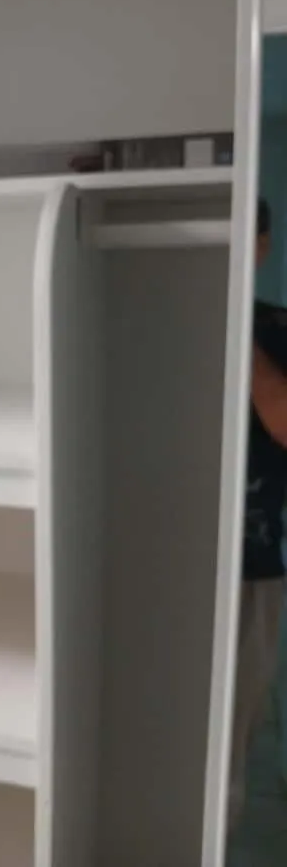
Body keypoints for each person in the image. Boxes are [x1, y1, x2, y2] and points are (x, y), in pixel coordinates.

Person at [230, 197, 287, 827]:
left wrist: (237, 337)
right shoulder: (165, 315)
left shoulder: (279, 329)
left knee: (232, 726)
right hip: (163, 554)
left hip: (253, 562)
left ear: (263, 247)